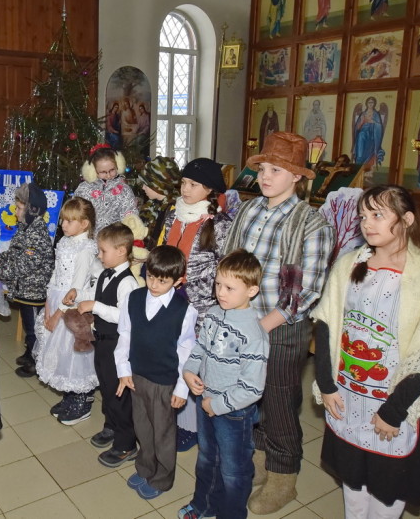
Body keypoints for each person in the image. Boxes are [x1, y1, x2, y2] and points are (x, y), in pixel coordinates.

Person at [312, 185, 420, 518]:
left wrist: (393, 411)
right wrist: (326, 384)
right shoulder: (349, 265)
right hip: (347, 396)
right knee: (353, 481)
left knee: (386, 488)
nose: (367, 224)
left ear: (407, 219)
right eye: (363, 216)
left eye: (378, 215)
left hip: (391, 403)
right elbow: (326, 325)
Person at [220, 131, 334, 514]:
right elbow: (230, 261)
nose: (265, 177)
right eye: (263, 168)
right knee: (249, 393)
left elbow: (306, 289)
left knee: (280, 399)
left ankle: (284, 476)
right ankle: (257, 457)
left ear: (298, 177)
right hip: (242, 319)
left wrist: (262, 325)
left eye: (276, 170)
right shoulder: (249, 210)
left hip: (282, 327)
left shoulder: (311, 223)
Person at [179, 250, 270, 519]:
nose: (221, 292)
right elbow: (200, 348)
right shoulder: (215, 313)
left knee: (234, 470)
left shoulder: (255, 333)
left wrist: (215, 405)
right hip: (206, 402)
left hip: (233, 412)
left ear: (251, 290)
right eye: (218, 284)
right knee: (207, 459)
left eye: (230, 287)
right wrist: (189, 371)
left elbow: (253, 389)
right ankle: (203, 505)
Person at [159, 158, 231, 452]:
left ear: (209, 189)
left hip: (200, 308)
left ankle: (193, 426)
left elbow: (224, 270)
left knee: (193, 364)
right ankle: (175, 419)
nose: (185, 189)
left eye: (193, 184)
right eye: (183, 183)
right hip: (169, 301)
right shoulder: (173, 215)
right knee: (173, 361)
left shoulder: (219, 224)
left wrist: (189, 285)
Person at [115, 245, 195, 501]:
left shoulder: (185, 310)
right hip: (137, 376)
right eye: (150, 276)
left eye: (162, 280)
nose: (154, 284)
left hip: (164, 382)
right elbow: (124, 335)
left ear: (178, 281)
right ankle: (145, 467)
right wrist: (123, 370)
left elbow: (186, 352)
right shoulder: (134, 299)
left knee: (162, 432)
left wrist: (182, 388)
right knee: (143, 428)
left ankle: (162, 477)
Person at [77, 222, 139, 468]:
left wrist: (95, 307)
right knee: (106, 388)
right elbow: (95, 296)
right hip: (102, 343)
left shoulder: (128, 282)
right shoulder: (104, 273)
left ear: (122, 250)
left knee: (120, 394)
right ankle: (111, 426)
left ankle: (126, 443)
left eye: (103, 251)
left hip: (118, 347)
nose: (99, 256)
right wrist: (82, 299)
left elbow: (125, 317)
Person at [33, 197, 99, 424]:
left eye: (71, 221)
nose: (64, 225)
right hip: (56, 300)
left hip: (72, 308)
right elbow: (55, 274)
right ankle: (69, 394)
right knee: (59, 352)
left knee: (74, 353)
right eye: (63, 220)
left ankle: (81, 398)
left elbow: (77, 288)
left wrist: (58, 313)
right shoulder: (63, 242)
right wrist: (48, 302)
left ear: (85, 224)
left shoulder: (87, 249)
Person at [0, 183, 55, 379]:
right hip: (24, 289)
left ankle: (35, 361)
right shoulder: (25, 228)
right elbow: (13, 253)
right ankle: (30, 351)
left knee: (34, 329)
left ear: (32, 210)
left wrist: (0, 267)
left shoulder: (36, 234)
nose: (16, 210)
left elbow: (23, 264)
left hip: (34, 291)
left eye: (20, 208)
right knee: (29, 325)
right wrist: (3, 260)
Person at [73, 144, 139, 233]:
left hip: (114, 240)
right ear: (92, 170)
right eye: (103, 172)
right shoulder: (83, 189)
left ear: (118, 166)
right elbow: (75, 213)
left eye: (112, 170)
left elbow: (130, 214)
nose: (108, 175)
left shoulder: (124, 189)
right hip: (88, 240)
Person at [138, 157, 181, 250]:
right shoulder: (152, 204)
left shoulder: (172, 211)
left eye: (146, 184)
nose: (143, 188)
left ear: (159, 186)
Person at [352, 97, 387, 168]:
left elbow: (379, 126)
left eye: (372, 102)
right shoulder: (363, 114)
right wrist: (362, 122)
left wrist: (372, 121)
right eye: (369, 102)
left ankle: (366, 169)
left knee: (368, 153)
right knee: (360, 153)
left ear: (374, 104)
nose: (371, 104)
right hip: (361, 136)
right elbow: (357, 128)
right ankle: (357, 168)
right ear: (366, 104)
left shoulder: (376, 114)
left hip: (371, 136)